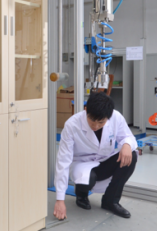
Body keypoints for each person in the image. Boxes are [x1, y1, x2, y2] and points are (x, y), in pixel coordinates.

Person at [54, 91, 138, 221]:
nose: (96, 126)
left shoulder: (116, 117)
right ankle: (81, 194)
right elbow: (63, 161)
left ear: (109, 117)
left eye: (101, 122)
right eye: (92, 120)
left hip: (104, 161)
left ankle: (110, 201)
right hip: (82, 164)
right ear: (86, 110)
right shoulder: (72, 125)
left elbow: (127, 136)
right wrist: (60, 199)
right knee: (88, 179)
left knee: (131, 155)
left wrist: (127, 144)